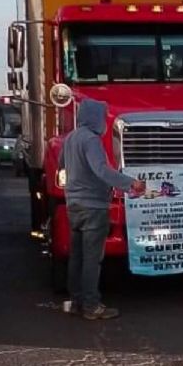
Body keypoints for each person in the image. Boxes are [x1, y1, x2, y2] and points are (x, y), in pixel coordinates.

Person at [59, 98, 145, 320]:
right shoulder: (91, 140)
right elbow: (101, 170)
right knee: (92, 259)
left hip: (73, 205)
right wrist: (129, 183)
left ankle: (77, 301)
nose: (105, 122)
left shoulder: (70, 138)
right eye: (102, 117)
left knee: (76, 257)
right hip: (93, 207)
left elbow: (62, 165)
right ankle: (91, 305)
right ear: (95, 117)